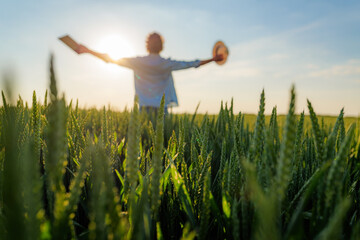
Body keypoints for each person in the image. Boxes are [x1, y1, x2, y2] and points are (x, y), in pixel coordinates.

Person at [75, 32, 223, 113]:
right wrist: (213, 59)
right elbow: (192, 64)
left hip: (143, 108)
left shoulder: (138, 62)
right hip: (162, 110)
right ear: (162, 46)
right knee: (161, 143)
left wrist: (88, 50)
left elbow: (110, 59)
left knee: (144, 145)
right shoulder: (167, 63)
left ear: (147, 45)